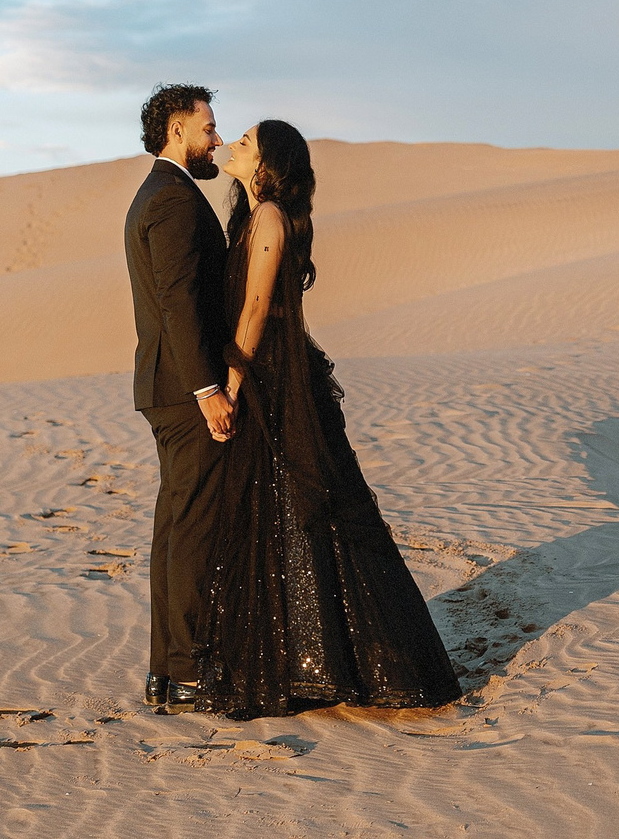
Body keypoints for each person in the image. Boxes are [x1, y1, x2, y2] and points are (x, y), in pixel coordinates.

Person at [197, 118, 462, 718]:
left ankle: (325, 661)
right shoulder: (256, 213)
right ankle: (317, 656)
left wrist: (232, 382)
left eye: (245, 144)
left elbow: (258, 306)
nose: (232, 148)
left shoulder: (266, 218)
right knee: (291, 507)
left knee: (300, 505)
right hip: (275, 373)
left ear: (266, 167)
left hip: (273, 378)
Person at [124, 82, 246, 715]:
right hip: (183, 389)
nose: (217, 139)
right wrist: (208, 389)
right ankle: (192, 670)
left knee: (175, 527)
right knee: (191, 529)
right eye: (208, 128)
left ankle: (165, 673)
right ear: (176, 131)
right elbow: (177, 302)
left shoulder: (158, 194)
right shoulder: (172, 201)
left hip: (165, 386)